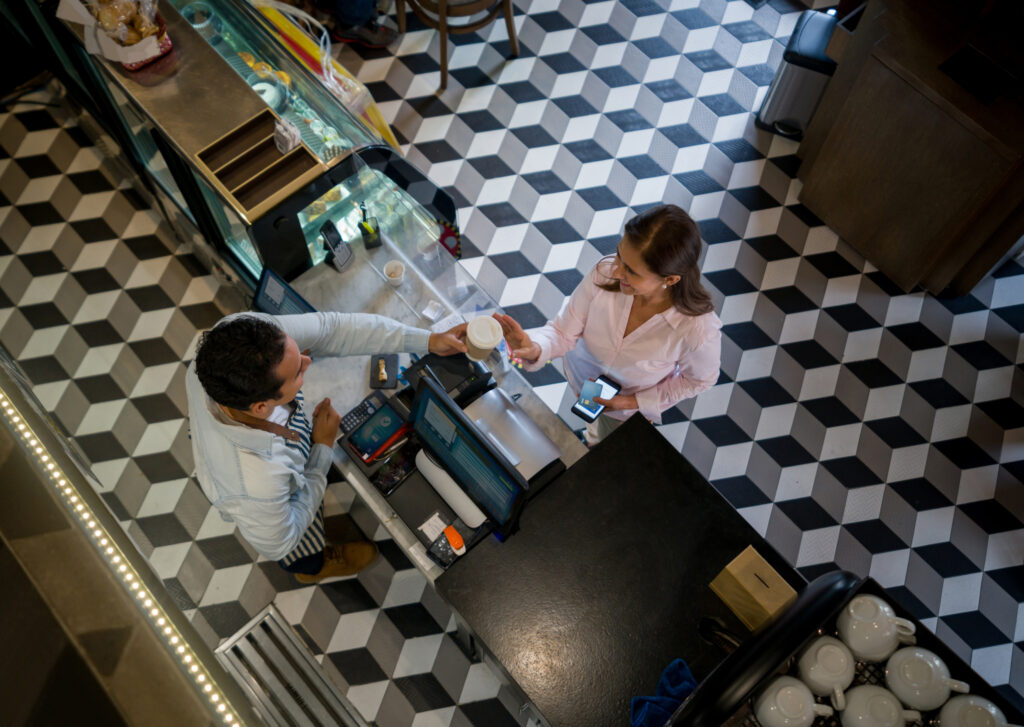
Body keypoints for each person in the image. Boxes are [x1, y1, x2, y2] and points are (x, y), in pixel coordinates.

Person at [187, 311, 465, 583]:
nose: (308, 360)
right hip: (273, 511)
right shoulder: (256, 487)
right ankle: (313, 567)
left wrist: (428, 340)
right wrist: (321, 449)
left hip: (285, 452)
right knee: (299, 546)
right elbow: (281, 540)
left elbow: (331, 330)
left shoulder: (241, 336)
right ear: (261, 407)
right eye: (298, 371)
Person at [495, 204, 722, 445]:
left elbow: (700, 380)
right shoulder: (605, 272)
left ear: (670, 279)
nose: (615, 270)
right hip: (581, 374)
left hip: (623, 410)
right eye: (620, 256)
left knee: (603, 440)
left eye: (632, 271)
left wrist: (633, 402)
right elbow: (563, 331)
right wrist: (535, 348)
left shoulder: (697, 331)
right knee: (591, 423)